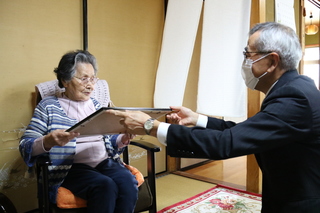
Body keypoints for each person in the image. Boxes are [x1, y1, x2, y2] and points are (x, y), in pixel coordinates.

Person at [107, 22, 320, 212]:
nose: (245, 61)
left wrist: (150, 126)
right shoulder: (295, 87)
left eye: (249, 54)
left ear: (272, 61)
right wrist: (198, 119)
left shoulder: (294, 97)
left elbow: (226, 143)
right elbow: (242, 131)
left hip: (301, 200)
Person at [19, 50, 138, 213]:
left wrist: (123, 138)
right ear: (65, 80)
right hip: (70, 168)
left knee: (127, 182)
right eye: (83, 79)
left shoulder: (97, 106)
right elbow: (26, 145)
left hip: (103, 162)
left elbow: (108, 141)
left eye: (93, 78)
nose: (90, 85)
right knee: (105, 185)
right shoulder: (48, 106)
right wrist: (48, 141)